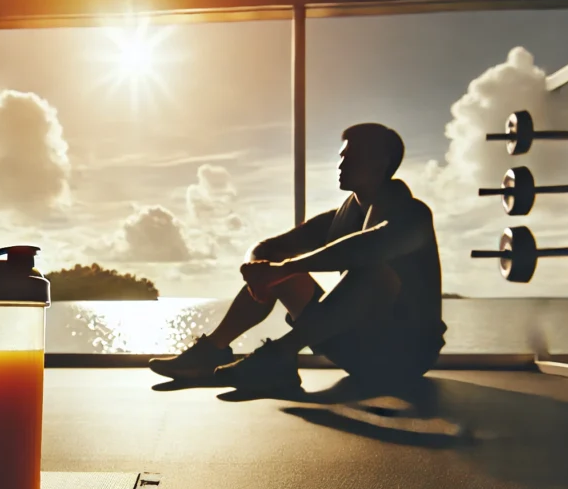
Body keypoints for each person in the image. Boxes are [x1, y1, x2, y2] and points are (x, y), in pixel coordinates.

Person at [149, 123, 447, 392]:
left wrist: (284, 268)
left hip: (405, 359)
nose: (340, 164)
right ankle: (211, 352)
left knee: (375, 272)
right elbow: (268, 248)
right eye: (341, 156)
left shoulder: (413, 216)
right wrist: (258, 269)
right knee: (279, 269)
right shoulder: (341, 219)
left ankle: (278, 355)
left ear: (380, 162)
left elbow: (370, 247)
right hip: (356, 350)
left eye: (351, 157)